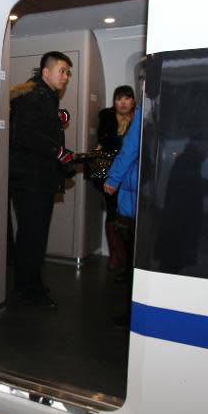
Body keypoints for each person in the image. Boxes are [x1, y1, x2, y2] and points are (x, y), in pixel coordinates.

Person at [8, 51, 74, 308]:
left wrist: (57, 118)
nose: (66, 77)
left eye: (68, 73)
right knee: (32, 237)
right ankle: (29, 291)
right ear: (46, 72)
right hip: (31, 180)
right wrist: (58, 151)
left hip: (36, 179)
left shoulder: (43, 96)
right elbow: (24, 135)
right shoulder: (36, 96)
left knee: (33, 235)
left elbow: (36, 126)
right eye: (63, 71)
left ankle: (30, 284)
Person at [104, 106, 142, 325]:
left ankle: (132, 315)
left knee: (134, 254)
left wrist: (113, 178)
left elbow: (131, 146)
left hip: (134, 188)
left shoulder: (147, 104)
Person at [96, 85, 136, 275]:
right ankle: (115, 255)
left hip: (133, 178)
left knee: (130, 217)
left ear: (133, 101)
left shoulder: (140, 119)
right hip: (112, 174)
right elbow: (106, 142)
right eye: (118, 98)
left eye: (127, 98)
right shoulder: (106, 118)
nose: (122, 102)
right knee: (113, 215)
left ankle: (129, 260)